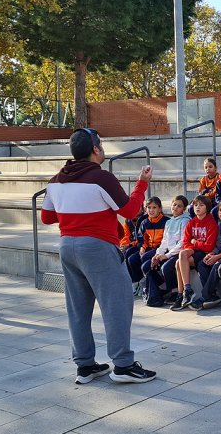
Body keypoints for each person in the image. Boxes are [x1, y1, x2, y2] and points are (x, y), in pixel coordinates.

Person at [40, 128, 156, 383]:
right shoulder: (101, 178)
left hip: (67, 246)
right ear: (95, 149)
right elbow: (130, 210)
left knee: (78, 308)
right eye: (100, 144)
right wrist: (142, 184)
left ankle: (85, 365)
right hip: (97, 246)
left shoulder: (57, 179)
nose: (102, 149)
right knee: (117, 304)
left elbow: (47, 217)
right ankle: (124, 365)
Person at [189, 199, 221, 310]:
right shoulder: (219, 225)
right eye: (220, 210)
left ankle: (205, 296)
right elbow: (219, 243)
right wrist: (212, 253)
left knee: (217, 266)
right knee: (202, 263)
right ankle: (212, 295)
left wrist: (218, 256)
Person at [141, 196, 189, 308]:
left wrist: (166, 256)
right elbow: (164, 241)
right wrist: (158, 254)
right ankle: (162, 289)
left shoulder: (185, 221)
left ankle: (175, 291)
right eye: (174, 204)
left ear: (184, 209)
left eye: (179, 206)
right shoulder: (169, 222)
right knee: (146, 266)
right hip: (168, 252)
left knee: (166, 267)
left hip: (180, 253)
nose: (176, 207)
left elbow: (182, 243)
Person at [172, 195, 218, 311]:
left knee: (179, 261)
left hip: (204, 253)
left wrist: (195, 243)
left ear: (207, 208)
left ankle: (183, 293)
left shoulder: (211, 223)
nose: (197, 207)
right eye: (196, 205)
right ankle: (185, 292)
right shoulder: (191, 223)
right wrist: (193, 247)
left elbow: (209, 246)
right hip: (193, 251)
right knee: (180, 258)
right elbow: (186, 242)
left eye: (201, 205)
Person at [127, 197, 168, 291]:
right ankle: (140, 281)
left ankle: (159, 284)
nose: (151, 210)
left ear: (160, 209)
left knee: (144, 258)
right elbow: (141, 239)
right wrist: (142, 247)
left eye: (154, 207)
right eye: (149, 207)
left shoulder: (166, 221)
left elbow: (167, 240)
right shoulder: (144, 222)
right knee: (132, 259)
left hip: (160, 248)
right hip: (149, 248)